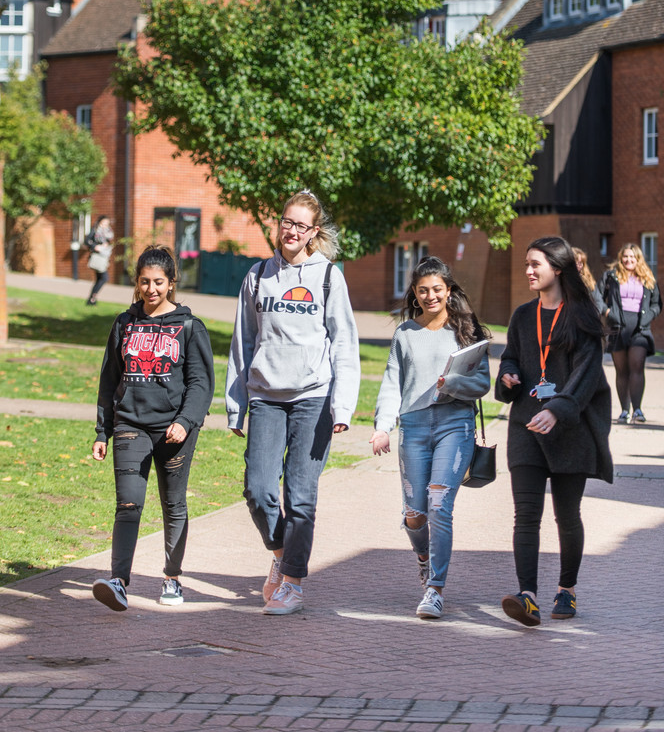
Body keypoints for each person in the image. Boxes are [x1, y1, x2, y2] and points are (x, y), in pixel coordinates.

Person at [226, 190, 360, 615]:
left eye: (301, 225)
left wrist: (343, 405)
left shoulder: (328, 277)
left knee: (300, 497)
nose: (291, 230)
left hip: (313, 399)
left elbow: (344, 343)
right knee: (258, 488)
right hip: (266, 396)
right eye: (287, 221)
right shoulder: (258, 275)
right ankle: (282, 553)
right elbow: (242, 343)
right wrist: (236, 404)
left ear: (313, 232)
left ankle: (294, 585)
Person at [496, 236, 612, 628]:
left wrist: (559, 410)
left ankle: (567, 588)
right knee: (526, 514)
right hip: (526, 425)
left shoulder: (582, 317)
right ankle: (527, 595)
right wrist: (508, 374)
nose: (528, 270)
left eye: (535, 264)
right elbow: (511, 353)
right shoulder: (522, 315)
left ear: (557, 268)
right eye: (527, 264)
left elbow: (587, 373)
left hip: (570, 430)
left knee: (567, 515)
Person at [91, 245, 214, 611]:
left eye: (158, 282)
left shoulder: (189, 326)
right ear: (137, 283)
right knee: (128, 503)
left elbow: (201, 384)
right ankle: (118, 582)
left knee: (173, 504)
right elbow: (108, 380)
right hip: (131, 423)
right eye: (144, 282)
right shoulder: (124, 324)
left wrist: (185, 421)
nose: (151, 289)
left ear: (171, 283)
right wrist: (103, 431)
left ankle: (172, 579)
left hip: (175, 429)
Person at [370, 256, 491, 620]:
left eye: (437, 289)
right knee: (414, 514)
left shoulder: (466, 330)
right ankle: (423, 557)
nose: (430, 296)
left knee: (439, 505)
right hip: (414, 428)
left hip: (456, 424)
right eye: (423, 290)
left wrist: (451, 382)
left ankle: (435, 589)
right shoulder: (405, 333)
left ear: (449, 290)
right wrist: (382, 426)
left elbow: (482, 383)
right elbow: (392, 382)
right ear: (415, 293)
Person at [600, 243, 661, 425]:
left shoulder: (648, 278)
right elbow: (597, 297)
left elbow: (657, 304)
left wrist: (649, 316)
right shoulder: (611, 276)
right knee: (622, 370)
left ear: (638, 259)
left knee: (637, 365)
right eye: (625, 256)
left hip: (640, 328)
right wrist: (607, 312)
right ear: (621, 258)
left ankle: (638, 410)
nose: (628, 260)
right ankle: (624, 411)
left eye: (632, 257)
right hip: (617, 326)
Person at [86, 216, 114, 306]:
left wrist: (106, 245)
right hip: (97, 257)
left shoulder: (108, 232)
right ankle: (92, 298)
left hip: (104, 256)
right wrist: (95, 246)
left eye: (107, 223)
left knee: (99, 279)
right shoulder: (95, 230)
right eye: (103, 223)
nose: (105, 225)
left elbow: (109, 241)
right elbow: (86, 241)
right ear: (99, 222)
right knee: (104, 278)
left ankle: (91, 299)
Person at [572, 247, 605, 316]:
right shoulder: (561, 279)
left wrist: (593, 317)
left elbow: (598, 301)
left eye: (581, 263)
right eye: (576, 262)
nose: (579, 265)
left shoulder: (588, 280)